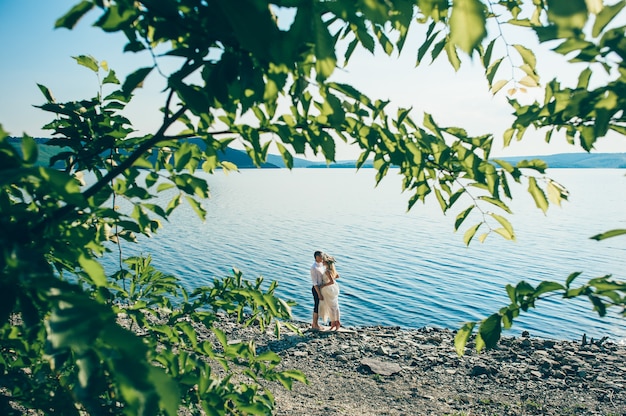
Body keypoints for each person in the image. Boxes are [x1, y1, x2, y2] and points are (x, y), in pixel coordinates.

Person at [318, 253, 341, 331]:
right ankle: (337, 323)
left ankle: (333, 323)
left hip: (328, 289)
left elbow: (331, 282)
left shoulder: (327, 271)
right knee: (335, 306)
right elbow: (337, 276)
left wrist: (323, 285)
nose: (322, 262)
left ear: (326, 263)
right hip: (333, 289)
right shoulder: (332, 270)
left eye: (323, 261)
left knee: (330, 307)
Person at [310, 250, 325, 330]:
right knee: (316, 306)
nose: (322, 258)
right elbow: (315, 283)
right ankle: (314, 324)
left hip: (322, 288)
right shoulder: (314, 267)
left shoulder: (321, 265)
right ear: (317, 257)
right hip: (316, 289)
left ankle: (316, 323)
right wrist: (319, 294)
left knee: (319, 306)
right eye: (321, 256)